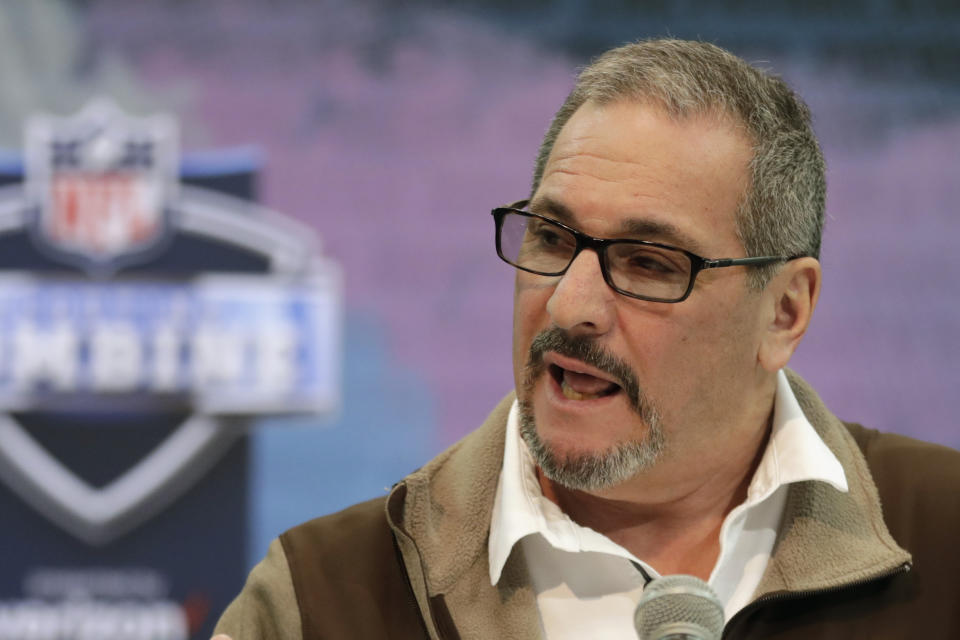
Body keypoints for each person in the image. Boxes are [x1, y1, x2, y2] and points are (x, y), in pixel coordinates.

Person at [212, 38, 960, 639]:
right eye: (549, 236)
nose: (571, 305)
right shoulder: (322, 602)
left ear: (785, 313)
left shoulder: (943, 533)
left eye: (649, 263)